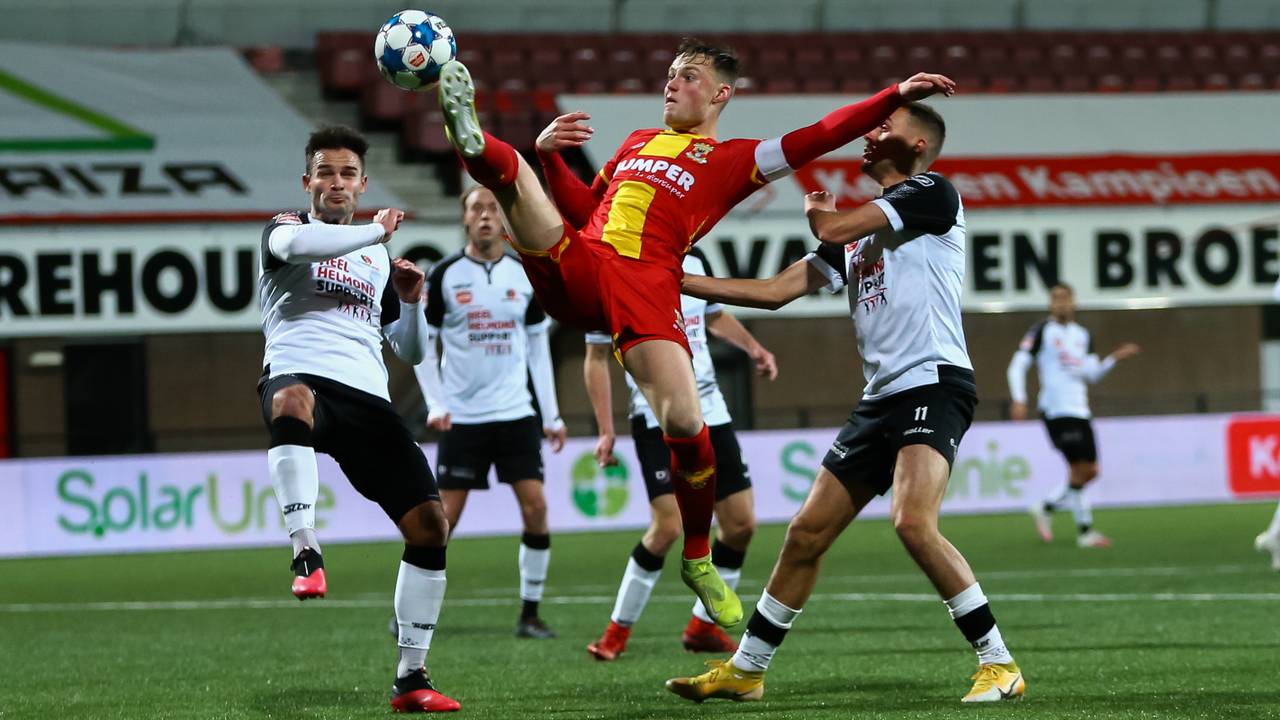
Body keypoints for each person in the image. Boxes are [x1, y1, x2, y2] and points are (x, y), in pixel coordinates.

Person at [433, 38, 954, 628]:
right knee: (518, 176)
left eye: (687, 76)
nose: (670, 84)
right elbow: (585, 213)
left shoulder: (736, 159)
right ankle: (472, 137)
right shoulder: (634, 143)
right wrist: (553, 161)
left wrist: (893, 94)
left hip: (650, 287)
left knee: (686, 424)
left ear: (720, 94)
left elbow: (823, 132)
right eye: (669, 75)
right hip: (586, 263)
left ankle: (699, 558)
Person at [664, 101, 1027, 704]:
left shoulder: (932, 193)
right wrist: (676, 279)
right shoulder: (860, 232)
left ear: (915, 144)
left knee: (912, 521)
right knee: (805, 534)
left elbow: (831, 231)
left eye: (884, 127)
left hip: (934, 383)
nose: (870, 133)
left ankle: (999, 663)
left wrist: (820, 216)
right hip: (881, 397)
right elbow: (777, 292)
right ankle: (746, 671)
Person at [258, 125, 459, 712]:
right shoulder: (286, 229)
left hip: (368, 398)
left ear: (361, 182)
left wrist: (413, 301)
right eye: (326, 172)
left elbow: (413, 351)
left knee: (430, 527)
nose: (336, 182)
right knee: (288, 402)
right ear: (307, 181)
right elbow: (300, 251)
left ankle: (412, 677)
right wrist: (378, 228)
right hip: (301, 374)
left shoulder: (376, 258)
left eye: (348, 174)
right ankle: (305, 547)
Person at [582, 248, 777, 661]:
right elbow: (597, 356)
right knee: (669, 525)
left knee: (740, 524)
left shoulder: (696, 257)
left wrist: (754, 348)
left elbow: (713, 315)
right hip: (658, 415)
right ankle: (615, 633)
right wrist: (605, 428)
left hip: (712, 410)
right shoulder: (618, 260)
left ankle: (701, 628)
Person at [413, 185, 568, 639]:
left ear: (504, 221)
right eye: (476, 208)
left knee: (537, 509)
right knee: (443, 521)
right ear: (464, 219)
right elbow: (423, 345)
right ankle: (414, 604)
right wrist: (436, 403)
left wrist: (552, 415)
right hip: (463, 418)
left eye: (493, 208)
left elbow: (538, 347)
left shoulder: (525, 275)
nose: (484, 215)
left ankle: (530, 614)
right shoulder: (444, 275)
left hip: (516, 415)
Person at [1007, 283, 1140, 548]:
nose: (1061, 303)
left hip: (1080, 409)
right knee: (1081, 469)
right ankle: (1083, 531)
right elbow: (1017, 364)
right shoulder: (1042, 331)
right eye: (1056, 299)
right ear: (1050, 304)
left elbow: (1091, 374)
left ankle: (1046, 507)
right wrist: (1019, 397)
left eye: (1066, 298)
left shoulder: (1083, 335)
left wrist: (1113, 359)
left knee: (1090, 471)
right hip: (1056, 410)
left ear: (1074, 302)